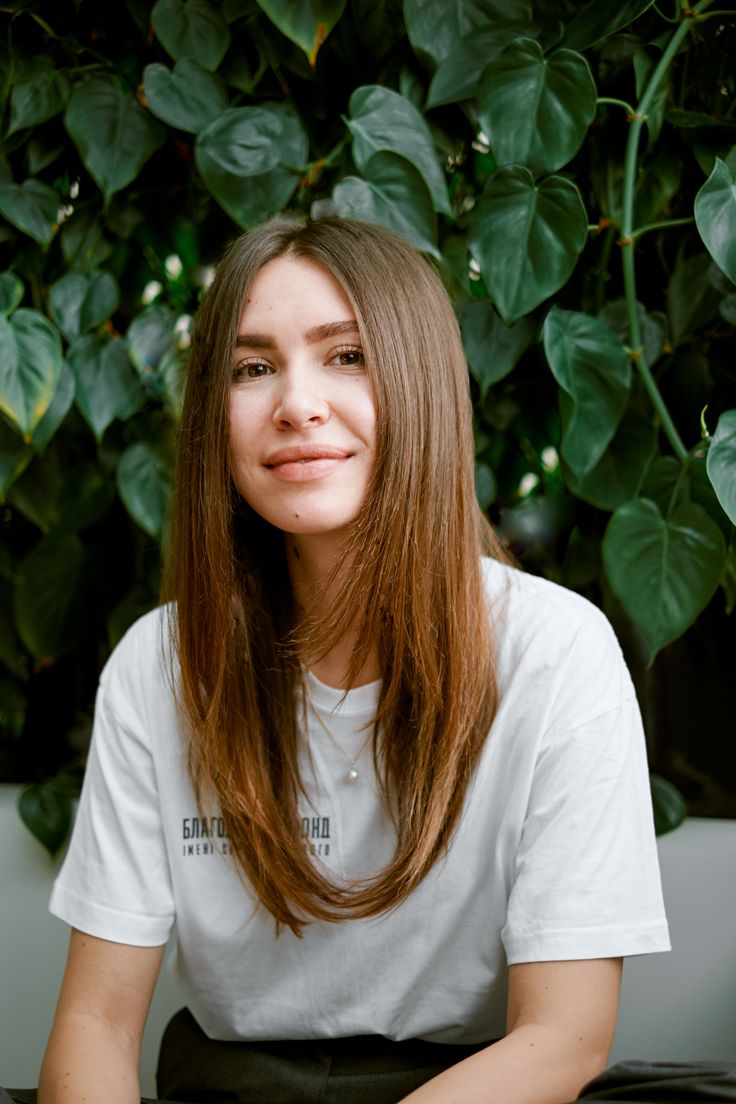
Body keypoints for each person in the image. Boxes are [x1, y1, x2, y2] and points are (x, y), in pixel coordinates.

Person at [29, 216, 669, 1104]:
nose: (296, 403)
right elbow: (96, 1025)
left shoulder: (557, 654)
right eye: (253, 369)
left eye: (346, 356)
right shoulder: (161, 666)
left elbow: (563, 1037)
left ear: (423, 384)